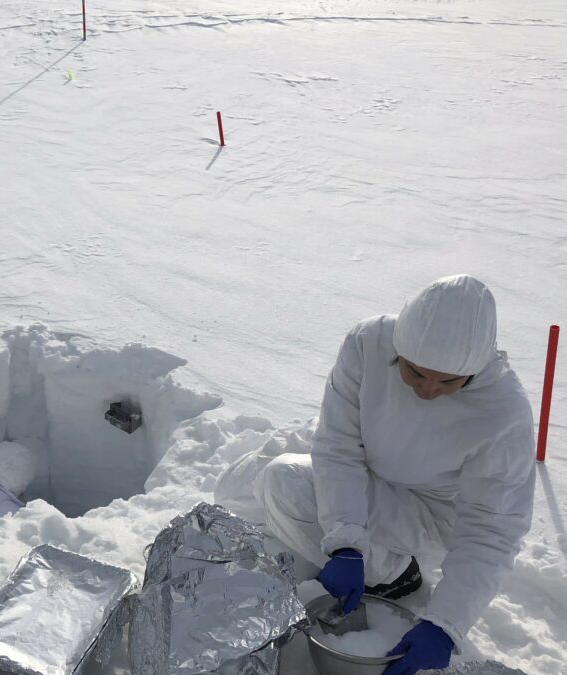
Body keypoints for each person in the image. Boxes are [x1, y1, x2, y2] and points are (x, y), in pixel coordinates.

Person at [214, 275, 535, 675]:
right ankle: (350, 553)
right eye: (416, 373)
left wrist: (446, 624)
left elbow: (492, 531)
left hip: (426, 511)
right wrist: (346, 542)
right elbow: (338, 445)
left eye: (449, 381)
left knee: (283, 484)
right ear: (398, 349)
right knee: (233, 490)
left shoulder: (502, 414)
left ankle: (396, 573)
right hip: (368, 458)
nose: (428, 390)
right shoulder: (368, 342)